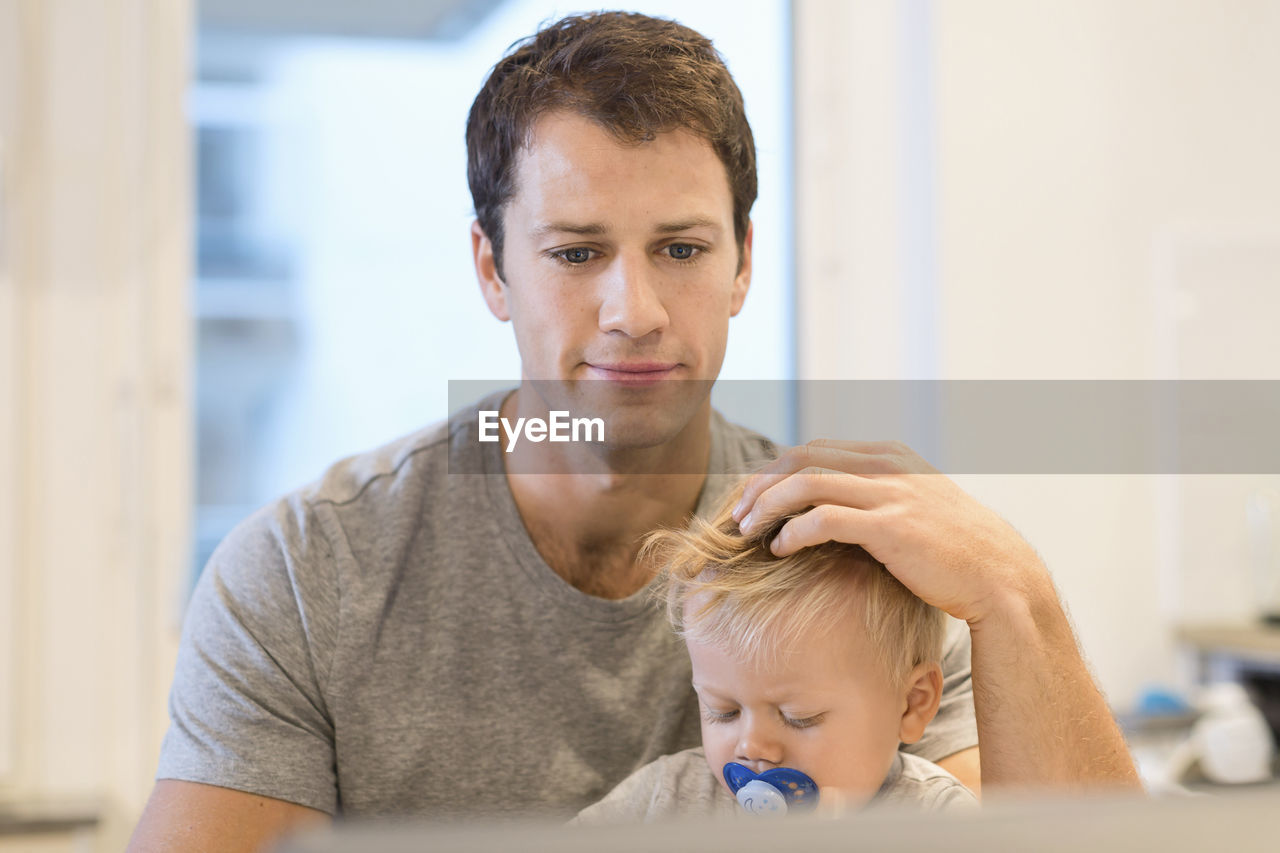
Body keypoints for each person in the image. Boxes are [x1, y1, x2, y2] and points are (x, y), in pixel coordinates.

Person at [128, 10, 1138, 853]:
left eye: (681, 248)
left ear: (742, 262)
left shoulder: (853, 568)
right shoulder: (306, 577)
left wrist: (1014, 595)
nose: (634, 310)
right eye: (574, 253)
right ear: (491, 270)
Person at [573, 482, 976, 823]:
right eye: (722, 711)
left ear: (911, 704)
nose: (752, 746)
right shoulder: (663, 800)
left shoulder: (938, 818)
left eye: (798, 717)